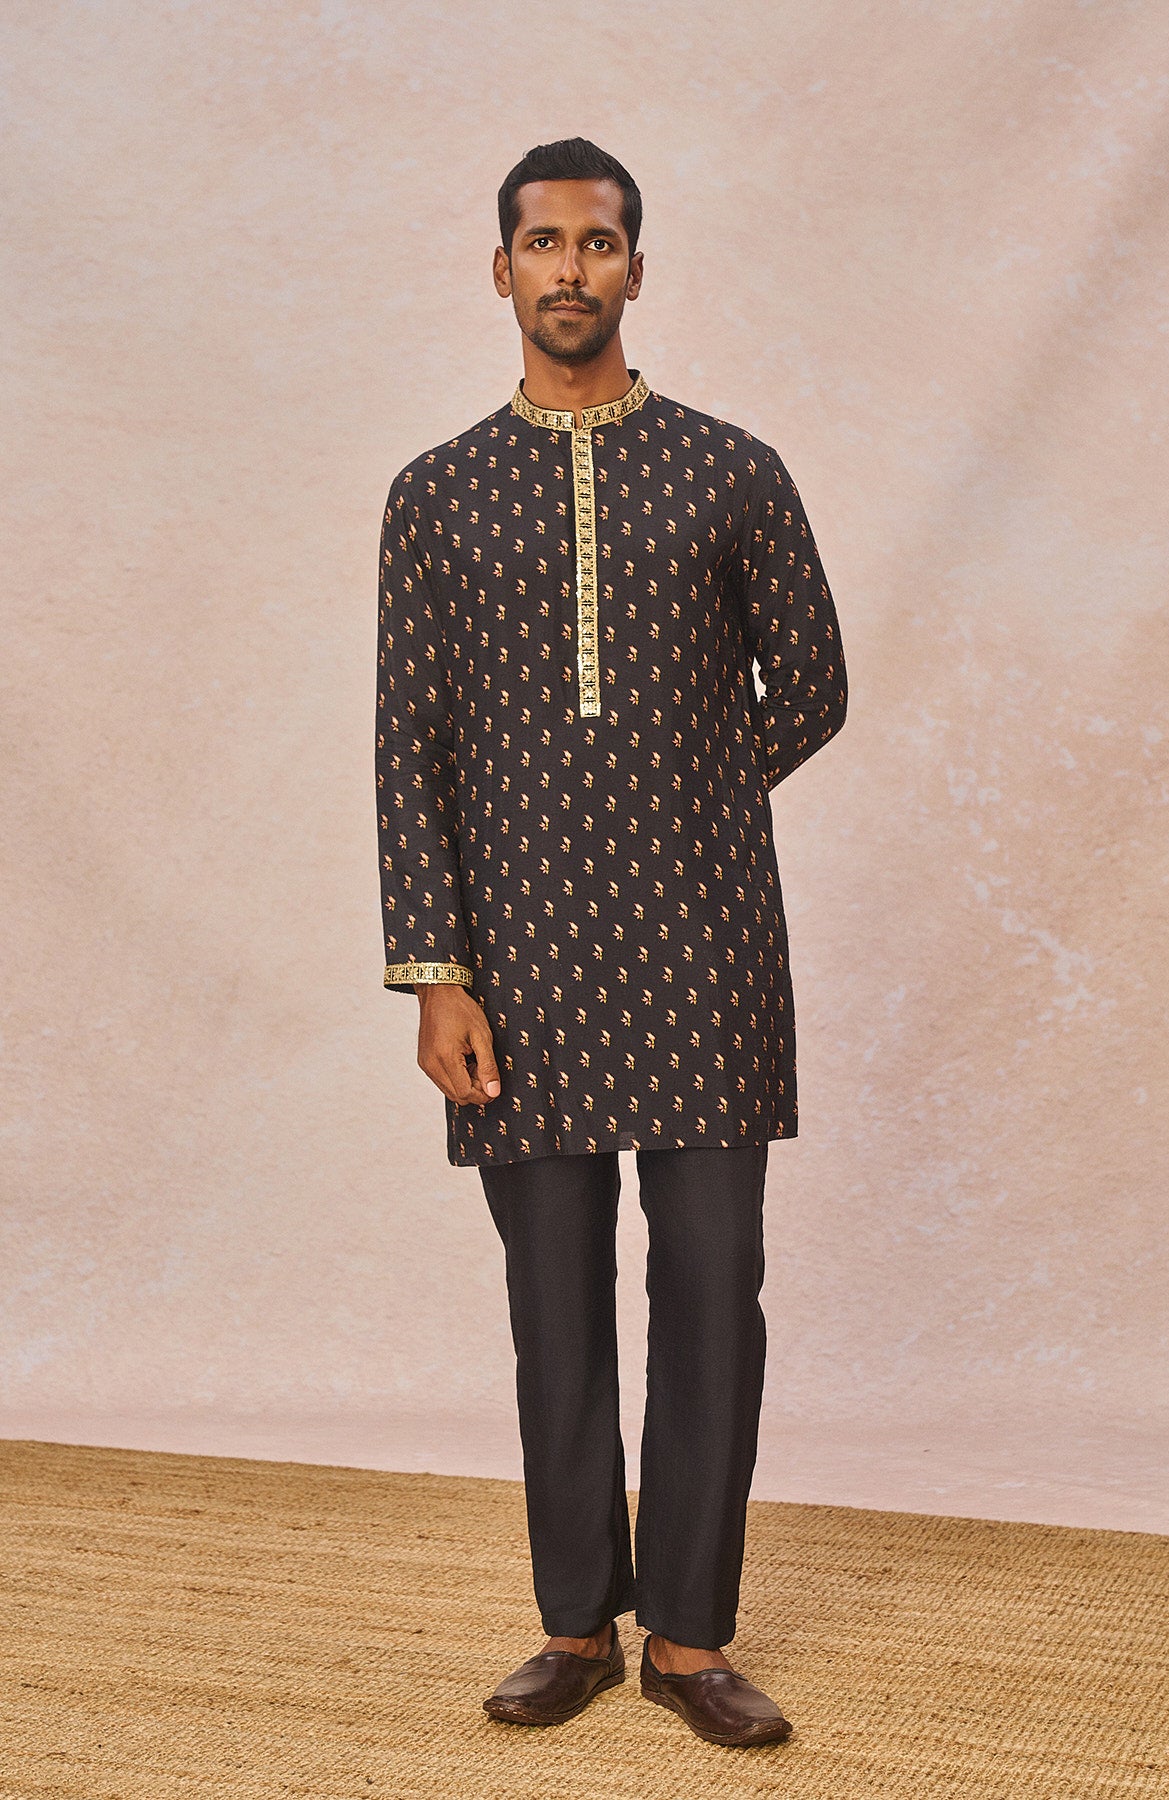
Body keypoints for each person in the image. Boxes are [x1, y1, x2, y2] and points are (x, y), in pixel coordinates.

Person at [375, 137, 847, 1748]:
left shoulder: (731, 471)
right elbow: (411, 746)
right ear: (499, 269)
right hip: (517, 966)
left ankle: (692, 1640)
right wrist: (436, 971)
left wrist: (690, 799)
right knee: (555, 1304)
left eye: (597, 242)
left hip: (708, 950)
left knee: (714, 1289)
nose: (569, 268)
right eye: (543, 242)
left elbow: (814, 682)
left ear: (638, 268)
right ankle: (575, 1623)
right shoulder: (435, 495)